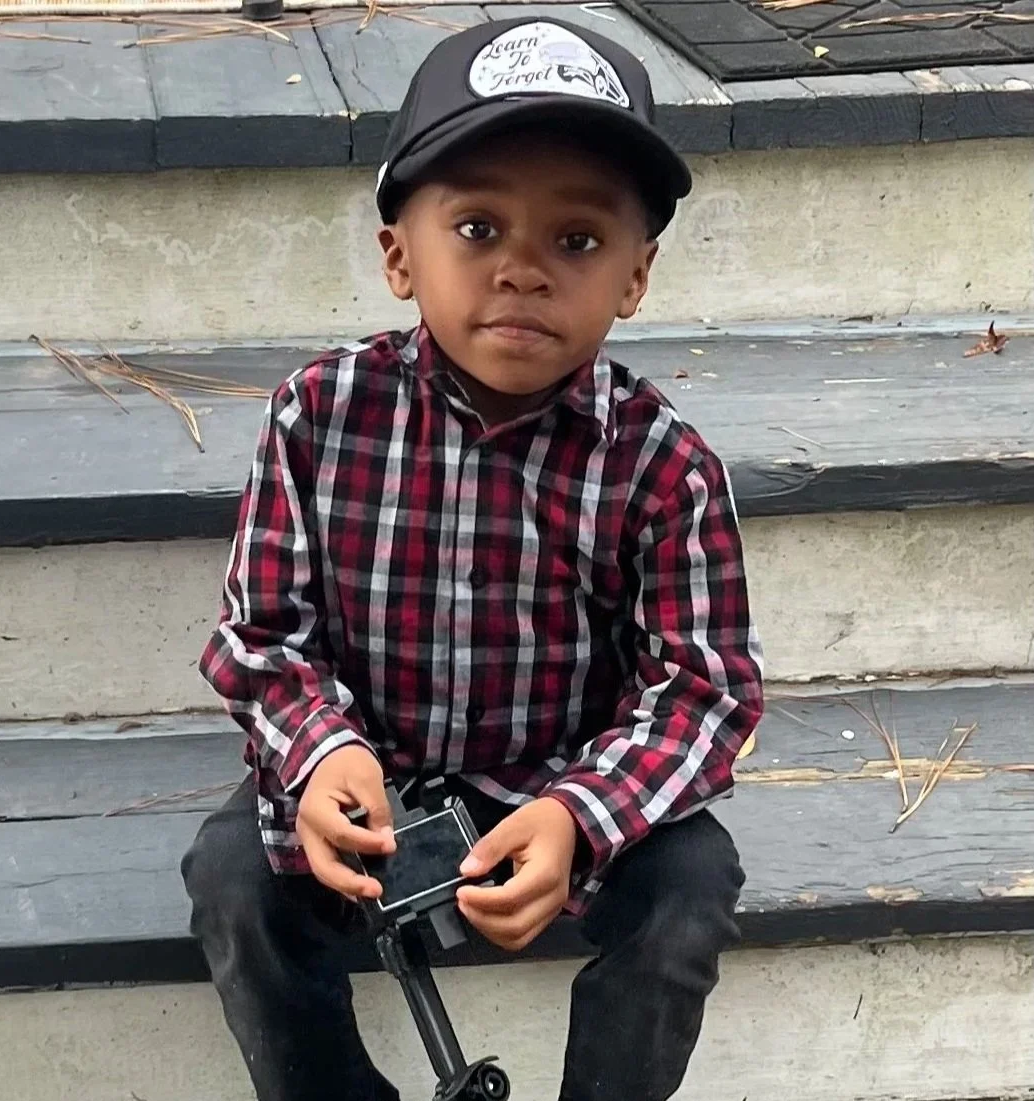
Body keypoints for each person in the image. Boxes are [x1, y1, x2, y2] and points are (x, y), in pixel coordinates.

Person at [181, 15, 764, 1101]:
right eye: (480, 228)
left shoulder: (663, 464)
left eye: (577, 242)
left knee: (692, 885)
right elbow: (259, 636)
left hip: (559, 783)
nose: (523, 272)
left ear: (635, 277)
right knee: (230, 882)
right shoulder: (319, 416)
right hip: (367, 782)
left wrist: (580, 817)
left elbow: (705, 691)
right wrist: (319, 756)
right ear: (401, 256)